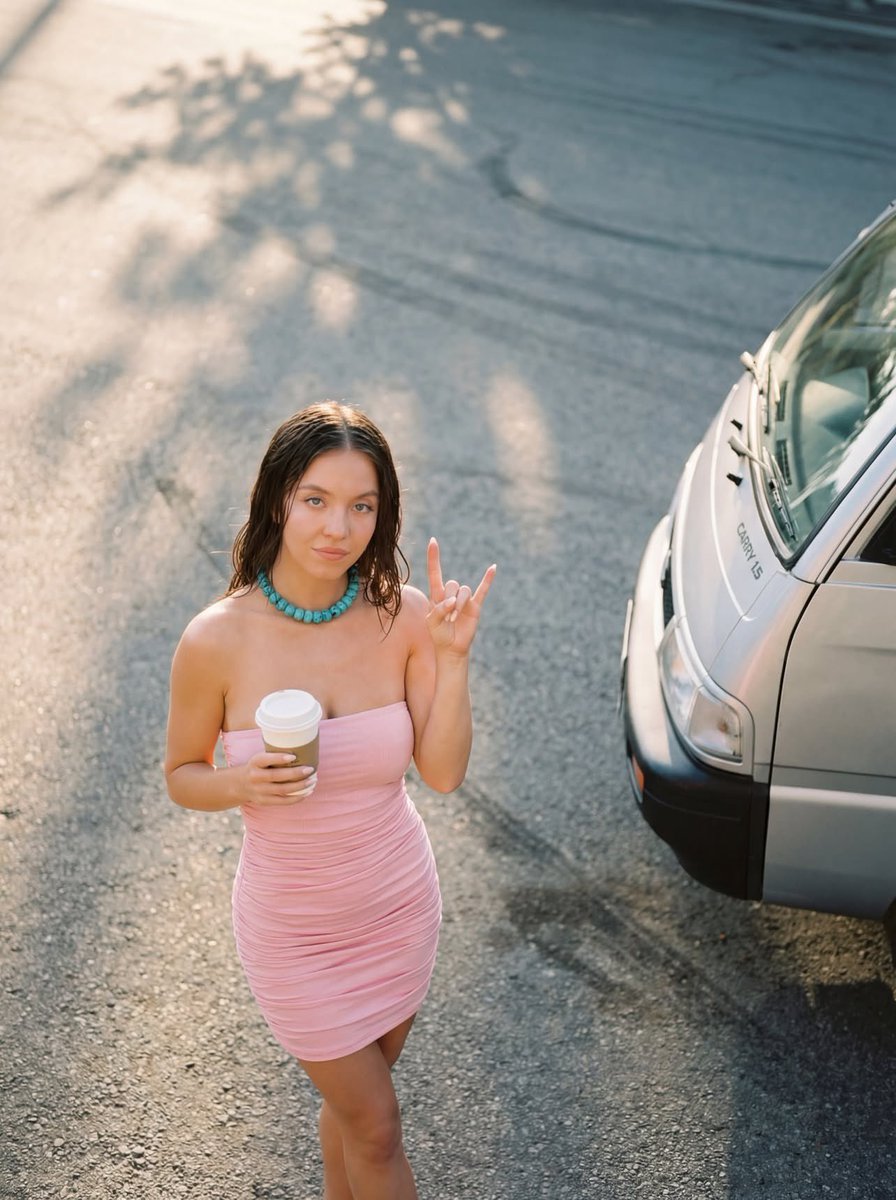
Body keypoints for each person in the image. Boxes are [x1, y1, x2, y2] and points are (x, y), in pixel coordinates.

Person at [164, 401, 496, 1200]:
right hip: (294, 930)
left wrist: (452, 663)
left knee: (355, 1117)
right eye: (315, 499)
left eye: (361, 506)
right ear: (277, 497)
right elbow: (180, 773)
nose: (337, 527)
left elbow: (443, 773)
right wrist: (240, 783)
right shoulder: (214, 639)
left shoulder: (404, 617)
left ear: (383, 514)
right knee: (376, 1125)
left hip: (396, 908)